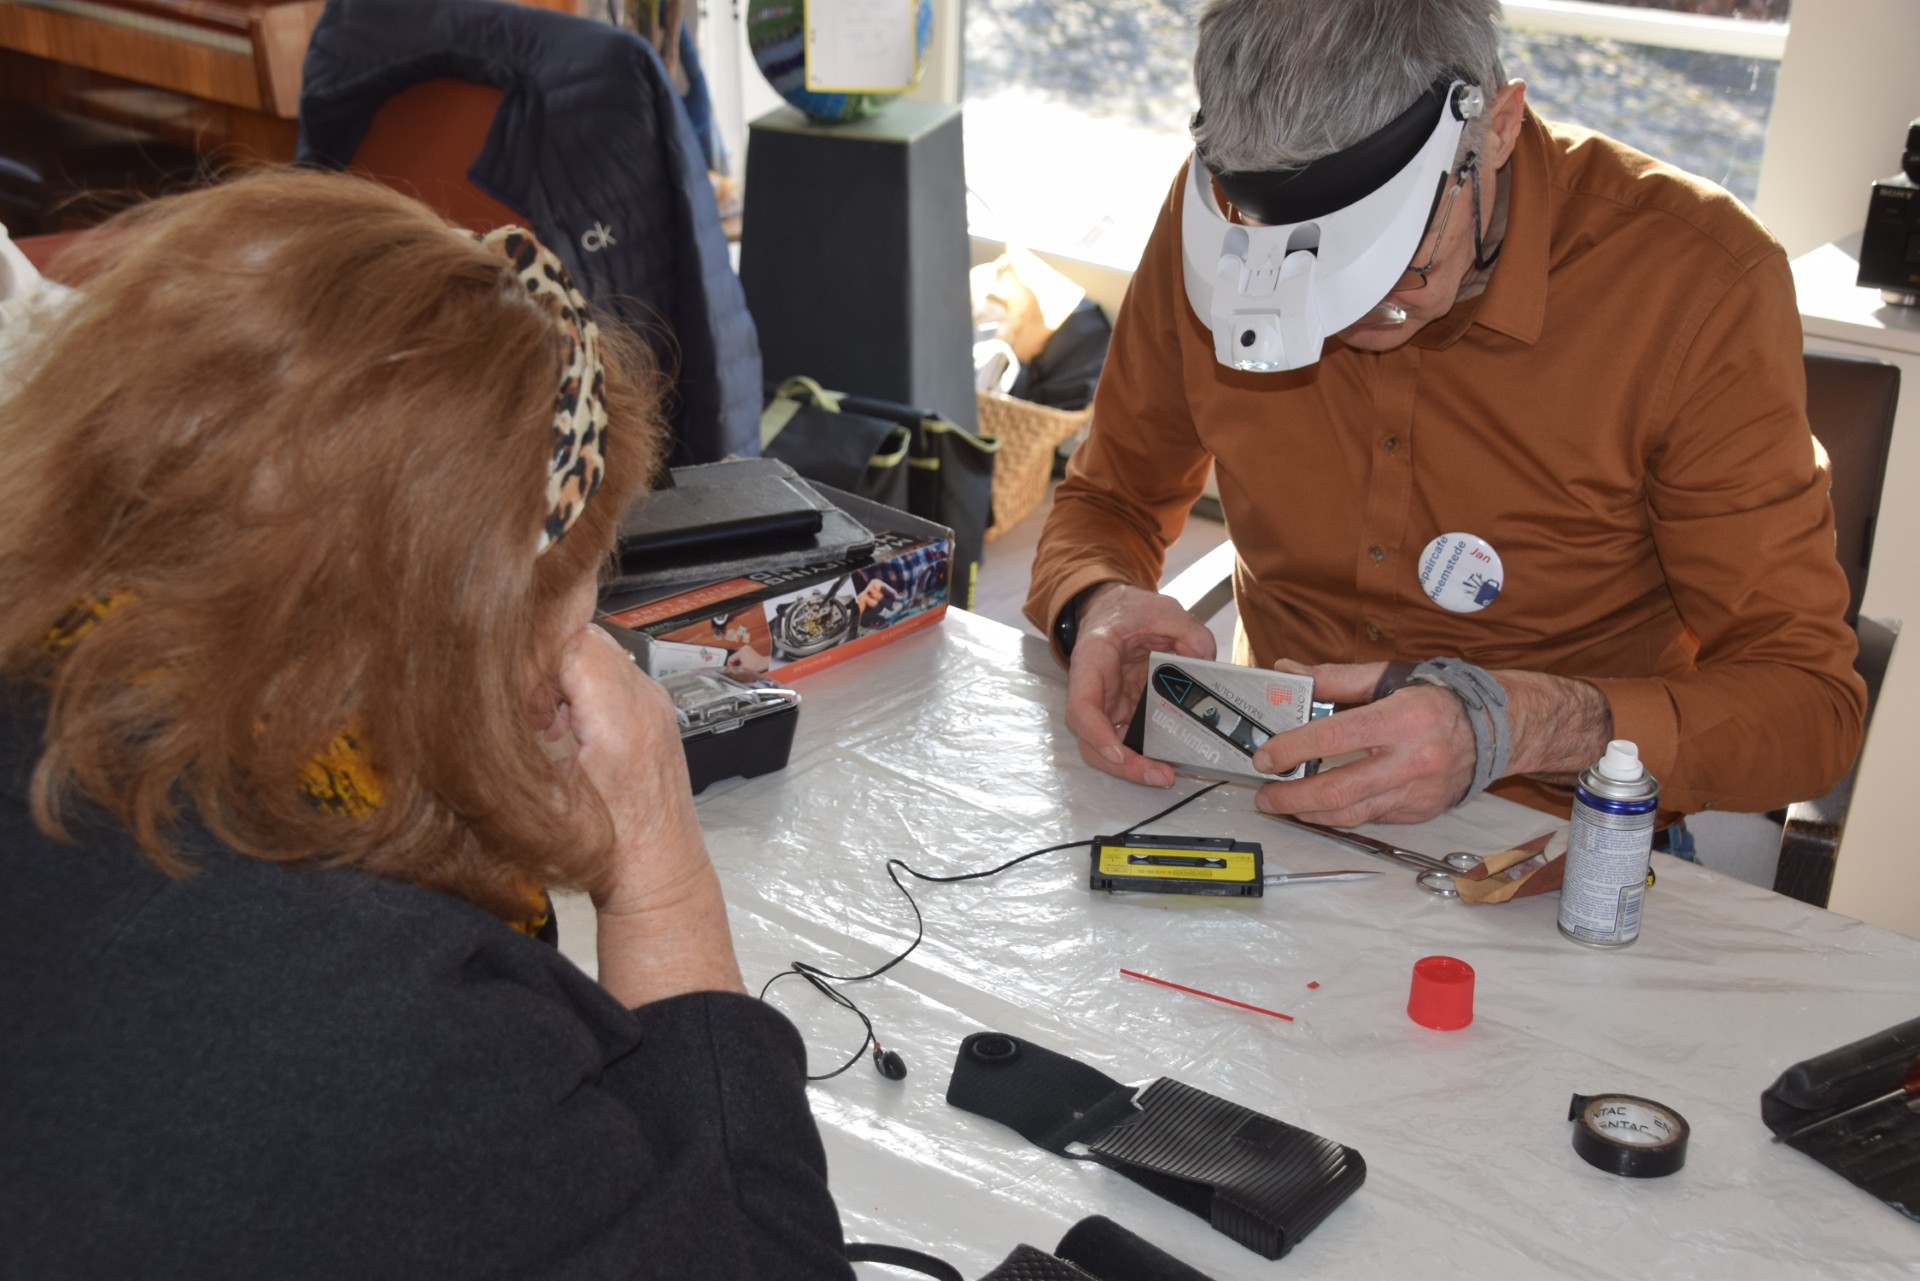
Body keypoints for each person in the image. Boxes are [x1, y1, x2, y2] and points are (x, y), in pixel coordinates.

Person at [0, 171, 856, 1280]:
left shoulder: (58, 696)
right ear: (462, 643)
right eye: (576, 607)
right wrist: (660, 875)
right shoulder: (370, 1019)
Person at [1026, 0, 1866, 831]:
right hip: (1268, 789)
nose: (1338, 322)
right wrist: (1095, 600)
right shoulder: (1234, 220)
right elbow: (1110, 503)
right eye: (1300, 289)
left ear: (1495, 127)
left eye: (1390, 273)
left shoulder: (1691, 285)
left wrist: (1516, 726)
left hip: (1554, 835)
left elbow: (1808, 706)